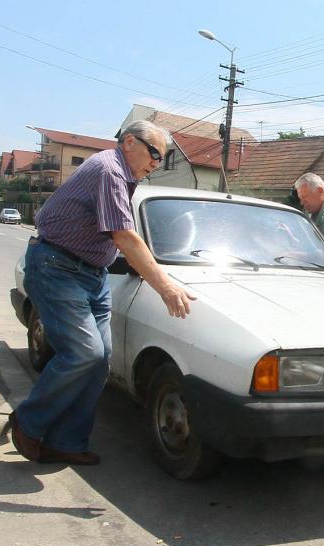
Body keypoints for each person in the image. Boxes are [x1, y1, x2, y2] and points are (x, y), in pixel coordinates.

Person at [10, 121, 195, 466]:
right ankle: (28, 423)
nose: (156, 162)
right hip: (57, 267)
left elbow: (119, 236)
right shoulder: (108, 169)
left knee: (99, 362)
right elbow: (124, 235)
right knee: (83, 353)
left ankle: (66, 441)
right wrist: (166, 286)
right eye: (154, 153)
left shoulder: (128, 178)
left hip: (92, 275)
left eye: (162, 158)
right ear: (129, 142)